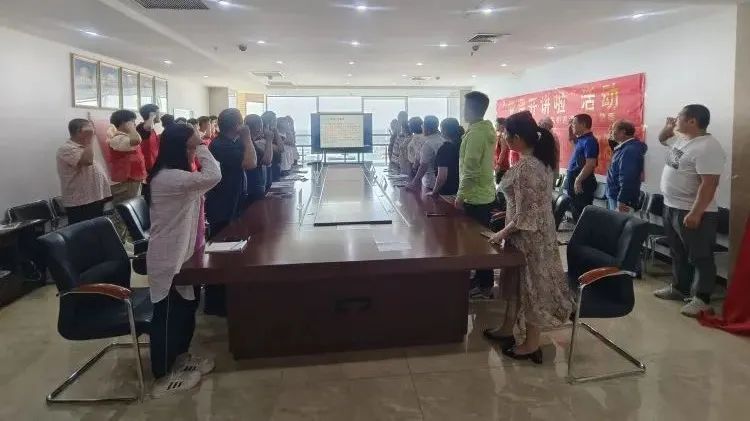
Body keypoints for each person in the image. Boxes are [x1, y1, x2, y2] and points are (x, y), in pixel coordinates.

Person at [484, 111, 572, 364]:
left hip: (530, 238)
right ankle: (507, 327)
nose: (504, 138)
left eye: (507, 135)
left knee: (532, 288)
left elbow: (526, 215)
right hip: (532, 232)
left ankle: (531, 343)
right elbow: (528, 206)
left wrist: (500, 233)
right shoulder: (540, 161)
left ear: (518, 137)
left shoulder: (526, 168)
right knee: (515, 284)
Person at [146, 123, 221, 397]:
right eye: (190, 148)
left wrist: (196, 144)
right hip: (169, 258)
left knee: (185, 311)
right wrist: (202, 145)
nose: (194, 153)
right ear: (180, 148)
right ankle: (162, 376)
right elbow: (214, 174)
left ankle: (181, 358)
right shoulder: (170, 178)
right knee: (167, 317)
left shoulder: (180, 177)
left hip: (185, 255)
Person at [653, 105, 727, 317]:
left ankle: (702, 299)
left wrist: (696, 212)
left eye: (679, 118)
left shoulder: (708, 147)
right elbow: (662, 139)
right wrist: (668, 127)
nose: (675, 120)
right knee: (678, 252)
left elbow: (709, 184)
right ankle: (679, 288)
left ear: (692, 121)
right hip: (671, 206)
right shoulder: (682, 139)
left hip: (692, 211)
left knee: (700, 256)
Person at [204, 109, 258, 316]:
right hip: (222, 205)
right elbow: (251, 163)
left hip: (232, 202)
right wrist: (247, 137)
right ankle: (216, 304)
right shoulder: (221, 145)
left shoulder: (231, 143)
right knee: (220, 255)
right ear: (237, 125)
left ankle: (226, 298)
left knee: (229, 253)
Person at [455, 91, 497, 299]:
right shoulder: (485, 129)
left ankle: (485, 285)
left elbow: (470, 170)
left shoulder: (476, 135)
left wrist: (460, 196)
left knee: (478, 244)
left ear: (470, 109)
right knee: (479, 242)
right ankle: (481, 280)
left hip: (474, 196)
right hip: (484, 194)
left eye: (465, 107)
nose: (463, 110)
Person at [56, 118, 111, 224]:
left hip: (94, 198)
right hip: (80, 202)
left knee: (96, 229)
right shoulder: (66, 148)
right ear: (79, 131)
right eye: (89, 129)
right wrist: (88, 140)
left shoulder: (83, 148)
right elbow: (88, 161)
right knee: (83, 231)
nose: (93, 132)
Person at [107, 109, 146, 207]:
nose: (134, 124)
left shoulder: (126, 137)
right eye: (132, 121)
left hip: (133, 179)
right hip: (126, 181)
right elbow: (137, 140)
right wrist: (131, 128)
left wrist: (130, 127)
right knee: (127, 207)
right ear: (123, 123)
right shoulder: (117, 139)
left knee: (134, 205)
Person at [606, 120, 647, 212]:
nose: (611, 132)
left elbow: (628, 178)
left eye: (613, 129)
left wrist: (622, 200)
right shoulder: (625, 147)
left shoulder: (630, 150)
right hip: (615, 196)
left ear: (623, 132)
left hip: (621, 200)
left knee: (618, 221)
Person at [565, 114, 599, 221]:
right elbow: (571, 139)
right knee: (575, 210)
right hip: (574, 179)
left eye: (574, 123)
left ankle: (584, 232)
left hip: (583, 182)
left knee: (582, 214)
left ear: (583, 124)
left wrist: (578, 180)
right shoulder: (580, 140)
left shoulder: (590, 141)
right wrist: (570, 127)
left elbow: (590, 164)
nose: (572, 126)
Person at [407, 116, 444, 191]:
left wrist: (414, 183)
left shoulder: (428, 144)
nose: (422, 127)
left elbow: (423, 166)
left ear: (427, 128)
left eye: (423, 125)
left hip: (430, 183)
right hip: (442, 182)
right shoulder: (443, 140)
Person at [428, 118, 463, 197]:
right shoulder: (462, 145)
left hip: (448, 191)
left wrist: (434, 192)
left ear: (444, 131)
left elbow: (442, 177)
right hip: (461, 189)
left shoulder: (445, 149)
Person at [244, 114, 271, 205]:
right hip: (252, 186)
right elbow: (267, 160)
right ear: (259, 128)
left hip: (252, 185)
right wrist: (269, 140)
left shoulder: (250, 141)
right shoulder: (249, 143)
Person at [137, 104, 161, 173]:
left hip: (153, 165)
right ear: (152, 114)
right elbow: (148, 126)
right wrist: (151, 117)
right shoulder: (141, 126)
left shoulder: (152, 129)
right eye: (158, 113)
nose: (160, 115)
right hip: (146, 167)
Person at [261, 111, 284, 183]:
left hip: (276, 166)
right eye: (275, 120)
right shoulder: (262, 134)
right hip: (268, 168)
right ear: (270, 122)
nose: (276, 123)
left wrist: (276, 131)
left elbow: (282, 148)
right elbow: (279, 149)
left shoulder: (274, 133)